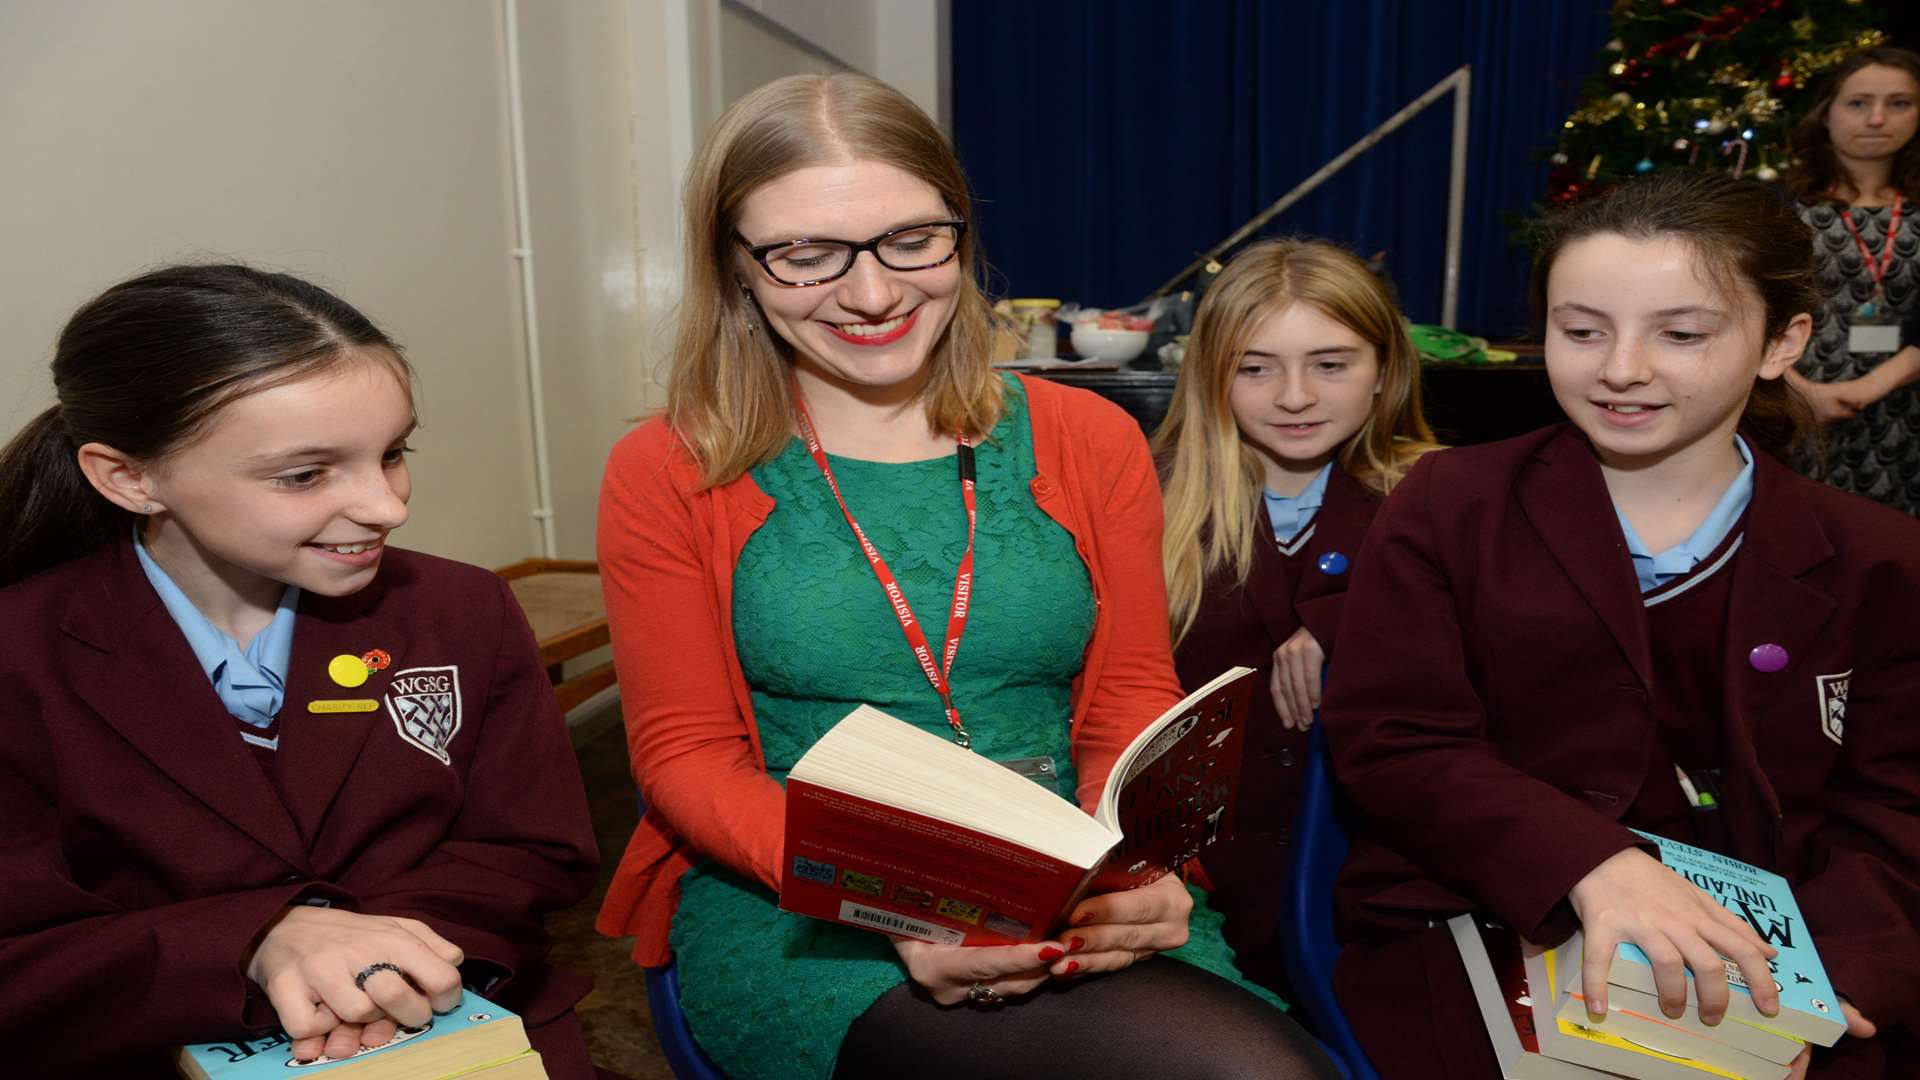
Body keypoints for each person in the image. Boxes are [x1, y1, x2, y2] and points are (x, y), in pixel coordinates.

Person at [592, 73, 1337, 1080]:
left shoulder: (1087, 437)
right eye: (807, 255)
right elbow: (685, 757)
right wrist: (910, 895)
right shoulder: (671, 466)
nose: (872, 293)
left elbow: (1128, 699)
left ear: (961, 229)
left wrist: (1142, 863)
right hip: (806, 901)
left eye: (911, 240)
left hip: (1072, 872)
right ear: (736, 269)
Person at [1324, 173, 1919, 1078]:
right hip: (1481, 909)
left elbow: (1892, 815)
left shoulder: (1878, 557)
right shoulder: (1452, 506)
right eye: (1582, 329)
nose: (1621, 368)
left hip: (1787, 938)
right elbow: (1397, 739)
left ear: (1782, 341)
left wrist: (1829, 992)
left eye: (1680, 334)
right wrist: (1595, 865)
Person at [0, 265, 600, 1077]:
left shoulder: (461, 610)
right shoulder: (21, 652)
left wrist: (380, 971)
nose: (388, 507)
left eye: (392, 454)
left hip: (452, 1022)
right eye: (305, 474)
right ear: (129, 477)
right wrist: (256, 941)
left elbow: (527, 848)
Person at [1152, 238, 1436, 996]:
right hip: (1193, 891)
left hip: (1369, 889)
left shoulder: (1437, 498)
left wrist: (1351, 620)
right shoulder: (1151, 499)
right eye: (1255, 367)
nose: (1295, 396)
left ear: (1384, 371)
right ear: (1211, 376)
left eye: (1331, 364)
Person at [1784, 46, 1920, 515]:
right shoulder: (1781, 209)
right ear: (1826, 113)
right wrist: (1803, 393)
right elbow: (1747, 308)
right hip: (1792, 405)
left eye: (1899, 103)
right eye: (1858, 102)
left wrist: (1868, 389)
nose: (1877, 118)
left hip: (1906, 415)